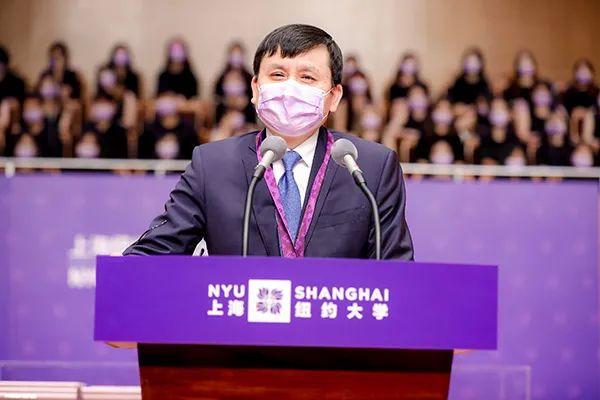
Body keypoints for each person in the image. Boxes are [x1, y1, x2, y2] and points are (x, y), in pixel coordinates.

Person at [124, 24, 413, 260]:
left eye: (307, 77)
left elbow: (398, 273)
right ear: (255, 88)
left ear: (334, 96)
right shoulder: (212, 165)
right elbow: (155, 252)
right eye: (277, 75)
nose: (290, 88)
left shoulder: (371, 167)